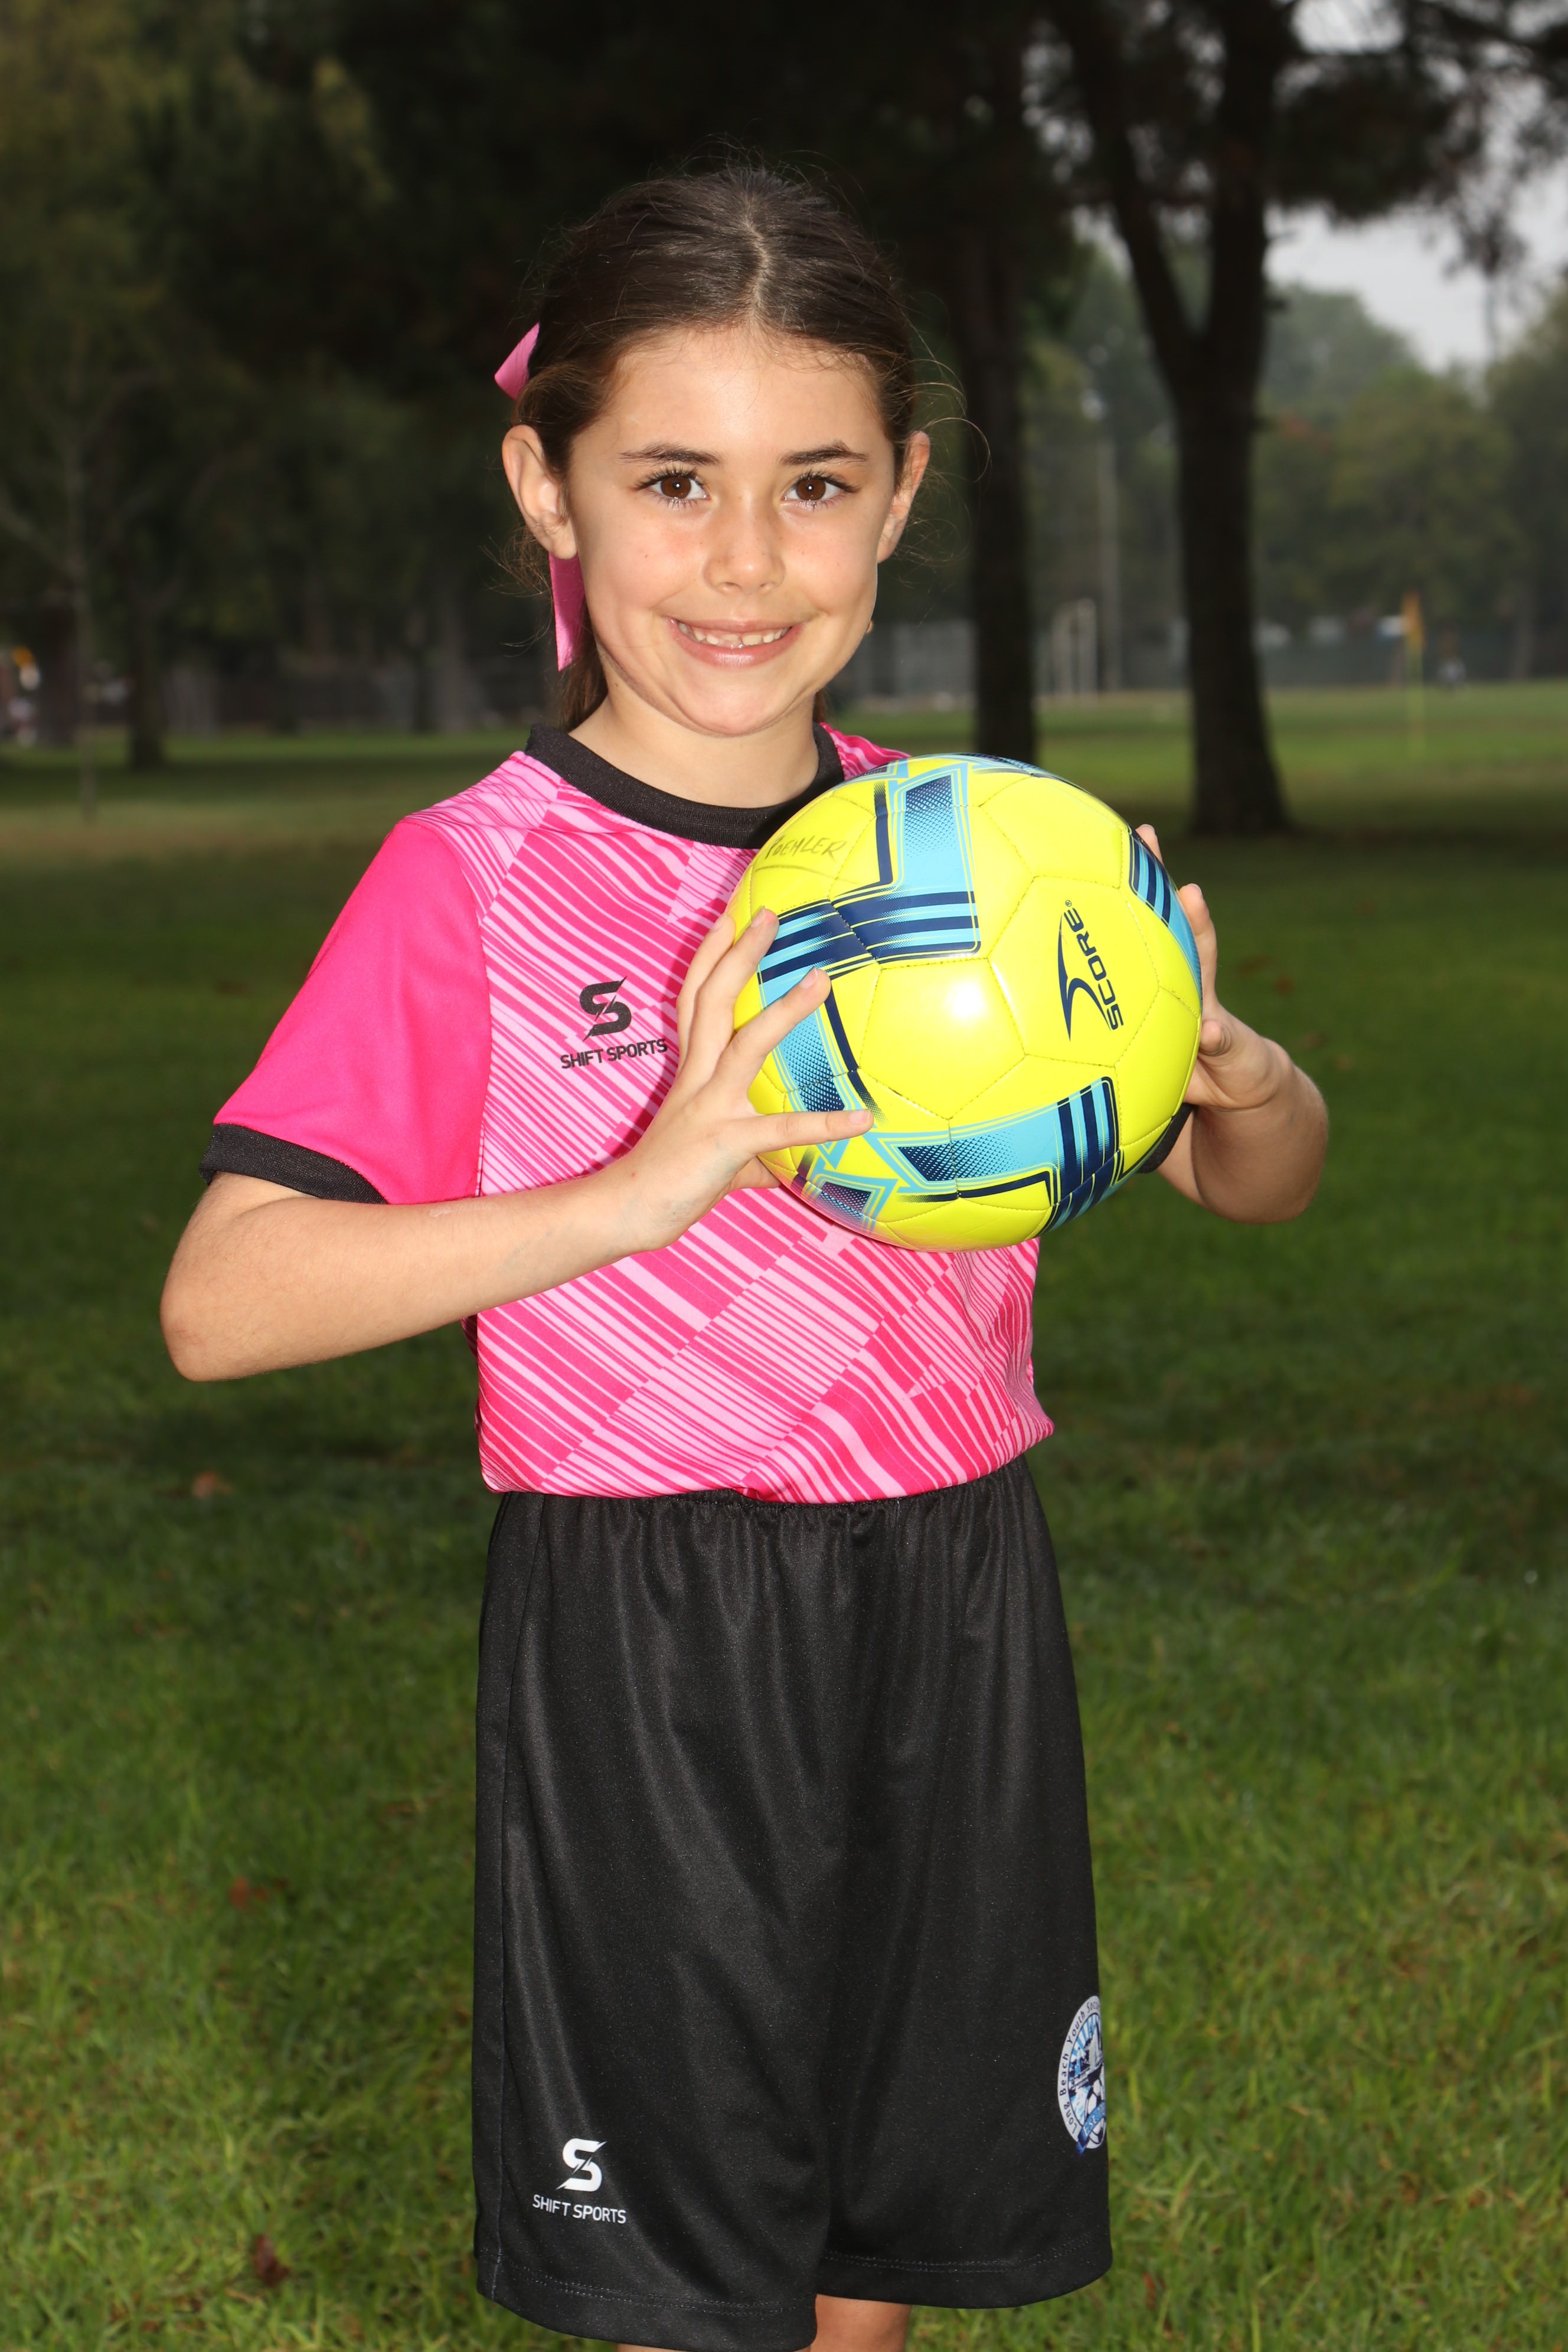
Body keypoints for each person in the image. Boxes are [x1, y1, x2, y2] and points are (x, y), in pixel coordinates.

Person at [161, 165, 1327, 2352]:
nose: (745, 560)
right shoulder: (474, 882)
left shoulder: (980, 858)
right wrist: (629, 1197)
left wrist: (1242, 1073)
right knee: (685, 2291)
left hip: (961, 1584)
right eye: (672, 481)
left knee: (882, 2244)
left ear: (900, 496)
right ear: (550, 488)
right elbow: (222, 1303)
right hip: (654, 1623)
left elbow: (1255, 1182)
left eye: (813, 485)